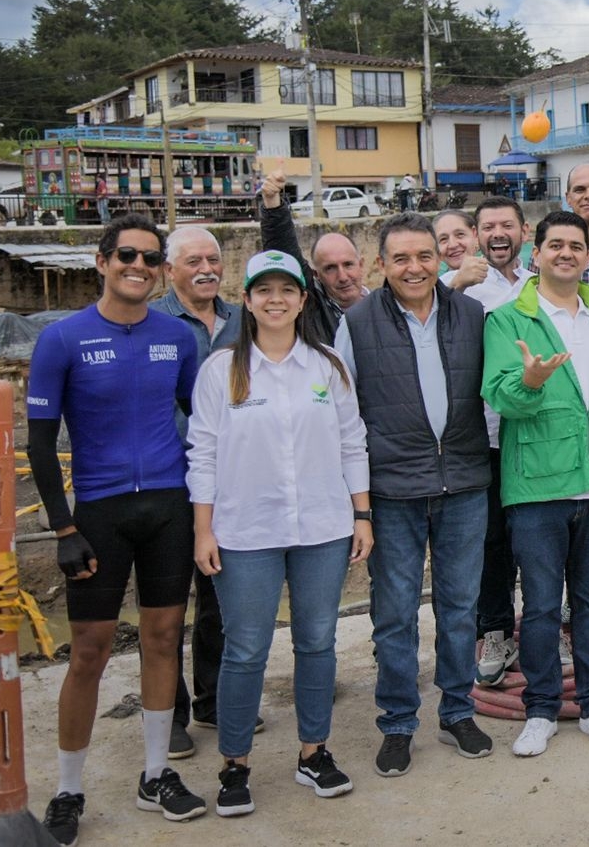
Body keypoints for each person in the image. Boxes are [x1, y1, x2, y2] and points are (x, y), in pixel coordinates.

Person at [29, 215, 207, 844]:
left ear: (160, 270)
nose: (138, 265)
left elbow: (204, 420)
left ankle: (156, 774)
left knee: (163, 639)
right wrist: (62, 528)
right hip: (97, 513)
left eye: (150, 258)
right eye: (125, 254)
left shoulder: (177, 338)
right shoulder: (62, 338)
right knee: (89, 653)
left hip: (168, 507)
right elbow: (40, 445)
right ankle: (68, 788)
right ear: (101, 262)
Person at [187, 250, 373, 816]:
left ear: (301, 299)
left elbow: (351, 442)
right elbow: (203, 453)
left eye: (286, 290)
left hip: (322, 527)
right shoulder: (221, 371)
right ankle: (235, 764)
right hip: (246, 532)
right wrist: (203, 530)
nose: (275, 300)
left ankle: (313, 752)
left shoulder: (326, 366)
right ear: (247, 299)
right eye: (263, 290)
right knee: (245, 649)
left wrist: (361, 515)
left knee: (317, 643)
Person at [482, 211, 589, 756]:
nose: (566, 253)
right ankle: (541, 708)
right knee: (538, 604)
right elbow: (499, 393)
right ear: (537, 254)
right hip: (537, 484)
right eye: (555, 245)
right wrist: (530, 380)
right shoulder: (508, 321)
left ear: (588, 256)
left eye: (575, 246)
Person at [333, 213, 494, 775]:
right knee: (395, 614)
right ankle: (399, 723)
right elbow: (343, 415)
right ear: (382, 265)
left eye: (425, 256)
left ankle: (457, 711)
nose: (414, 267)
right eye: (401, 258)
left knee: (459, 609)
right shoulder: (356, 323)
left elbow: (494, 396)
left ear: (440, 258)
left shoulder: (473, 315)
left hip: (465, 486)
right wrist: (359, 505)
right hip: (394, 491)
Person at [151, 225, 244, 761]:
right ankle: (172, 716)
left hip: (233, 484)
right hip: (170, 480)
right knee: (165, 609)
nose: (206, 268)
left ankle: (213, 700)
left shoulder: (243, 320)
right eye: (192, 261)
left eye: (213, 258)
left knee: (219, 600)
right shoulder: (153, 322)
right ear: (170, 270)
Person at [461, 196, 535, 688]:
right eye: (488, 227)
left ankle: (549, 629)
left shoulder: (540, 285)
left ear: (523, 232)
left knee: (539, 539)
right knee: (490, 542)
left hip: (534, 436)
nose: (497, 234)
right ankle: (494, 631)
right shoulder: (460, 290)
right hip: (482, 435)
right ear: (476, 235)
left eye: (506, 225)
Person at [260, 166, 367, 346]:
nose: (342, 277)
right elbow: (286, 256)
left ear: (361, 264)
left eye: (348, 264)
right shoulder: (312, 311)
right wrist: (273, 204)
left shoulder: (388, 306)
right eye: (330, 268)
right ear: (316, 275)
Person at [434, 209, 484, 291]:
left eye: (460, 234)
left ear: (475, 235)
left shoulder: (500, 275)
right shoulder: (433, 288)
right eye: (443, 239)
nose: (453, 245)